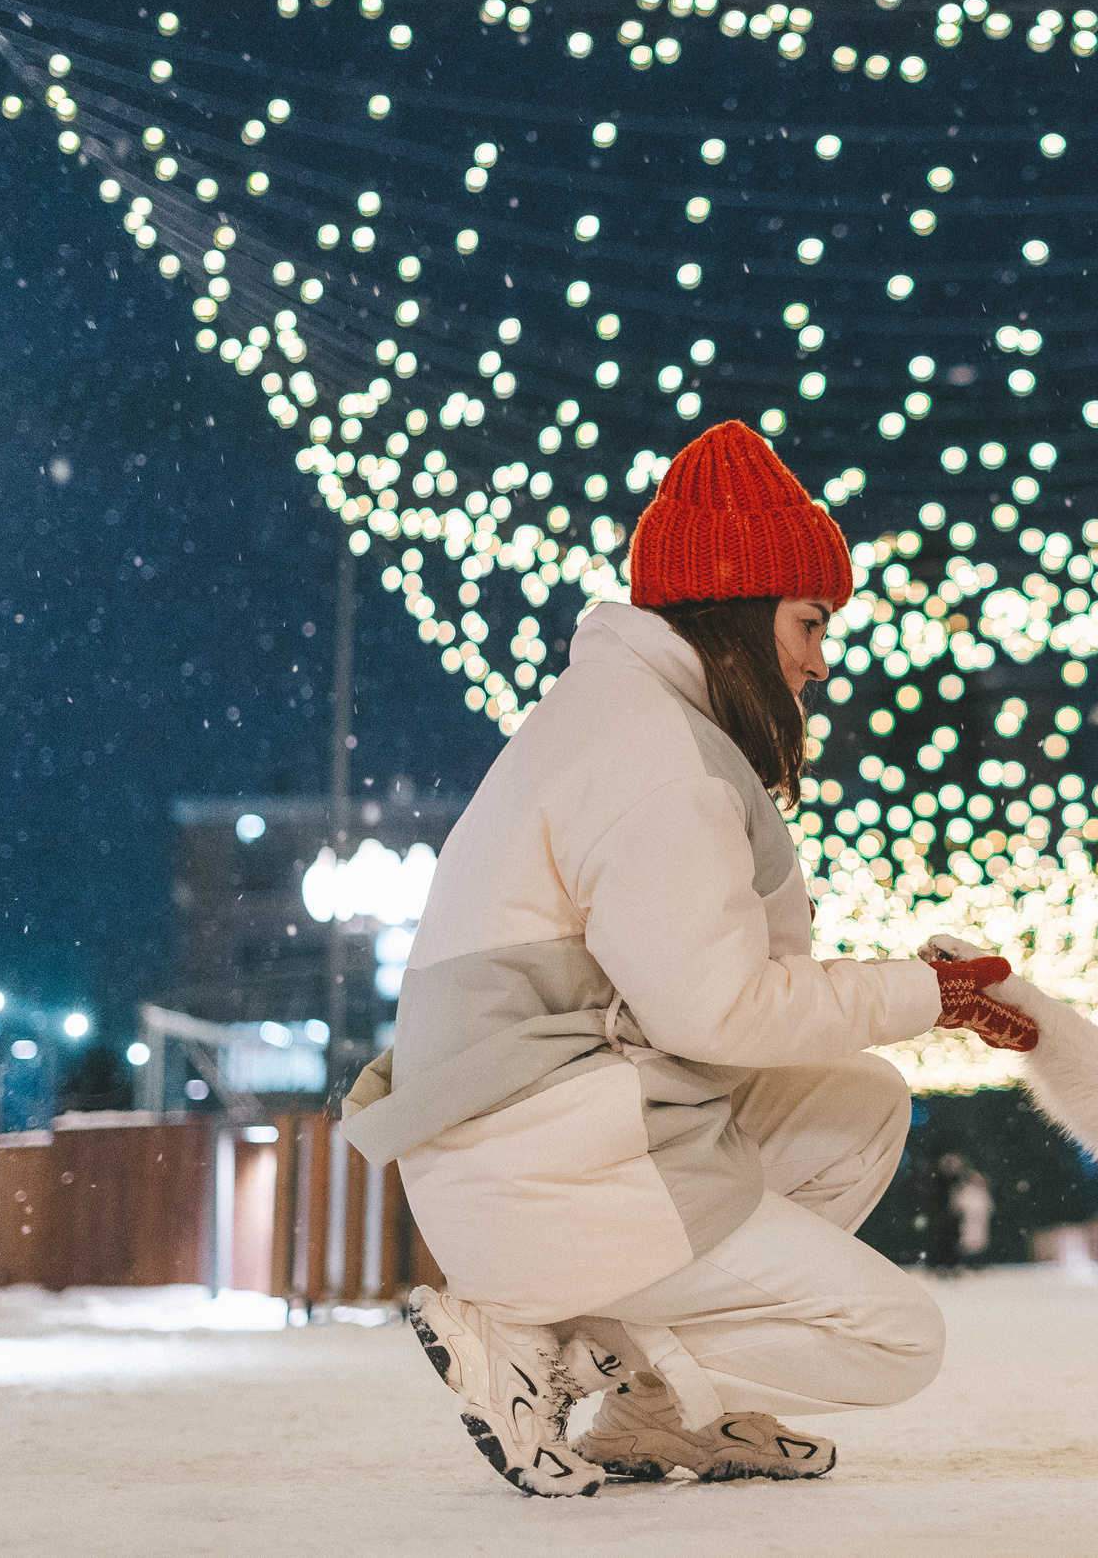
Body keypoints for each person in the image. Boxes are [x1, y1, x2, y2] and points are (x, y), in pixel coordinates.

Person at [340, 420, 1033, 1495]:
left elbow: (719, 987)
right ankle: (548, 1352)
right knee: (897, 1339)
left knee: (856, 1105)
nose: (816, 662)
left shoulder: (636, 720)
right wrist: (922, 992)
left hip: (551, 1130)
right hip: (546, 1158)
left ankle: (647, 1411)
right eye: (809, 623)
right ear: (742, 613)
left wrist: (915, 995)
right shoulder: (660, 760)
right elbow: (714, 1013)